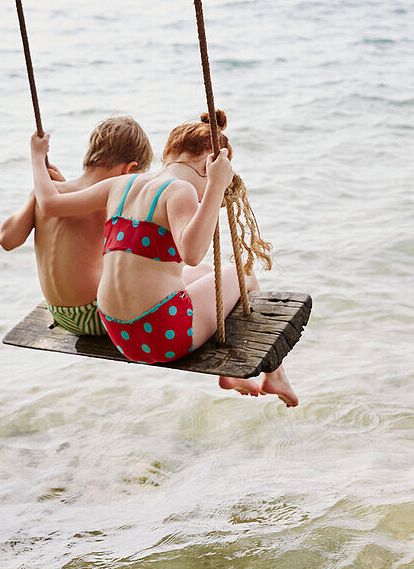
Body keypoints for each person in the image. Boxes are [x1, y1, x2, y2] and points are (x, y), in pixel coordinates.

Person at [31, 110, 298, 407]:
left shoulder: (123, 183)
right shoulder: (180, 190)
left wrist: (37, 158)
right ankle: (273, 374)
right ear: (208, 165)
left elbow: (50, 203)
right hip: (160, 336)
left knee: (209, 274)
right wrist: (215, 187)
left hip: (117, 332)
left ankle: (241, 376)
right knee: (243, 275)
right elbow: (192, 253)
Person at [0, 115, 153, 336]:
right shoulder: (110, 199)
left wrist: (46, 179)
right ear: (129, 170)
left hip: (60, 314)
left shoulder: (46, 193)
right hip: (97, 316)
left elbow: (7, 240)